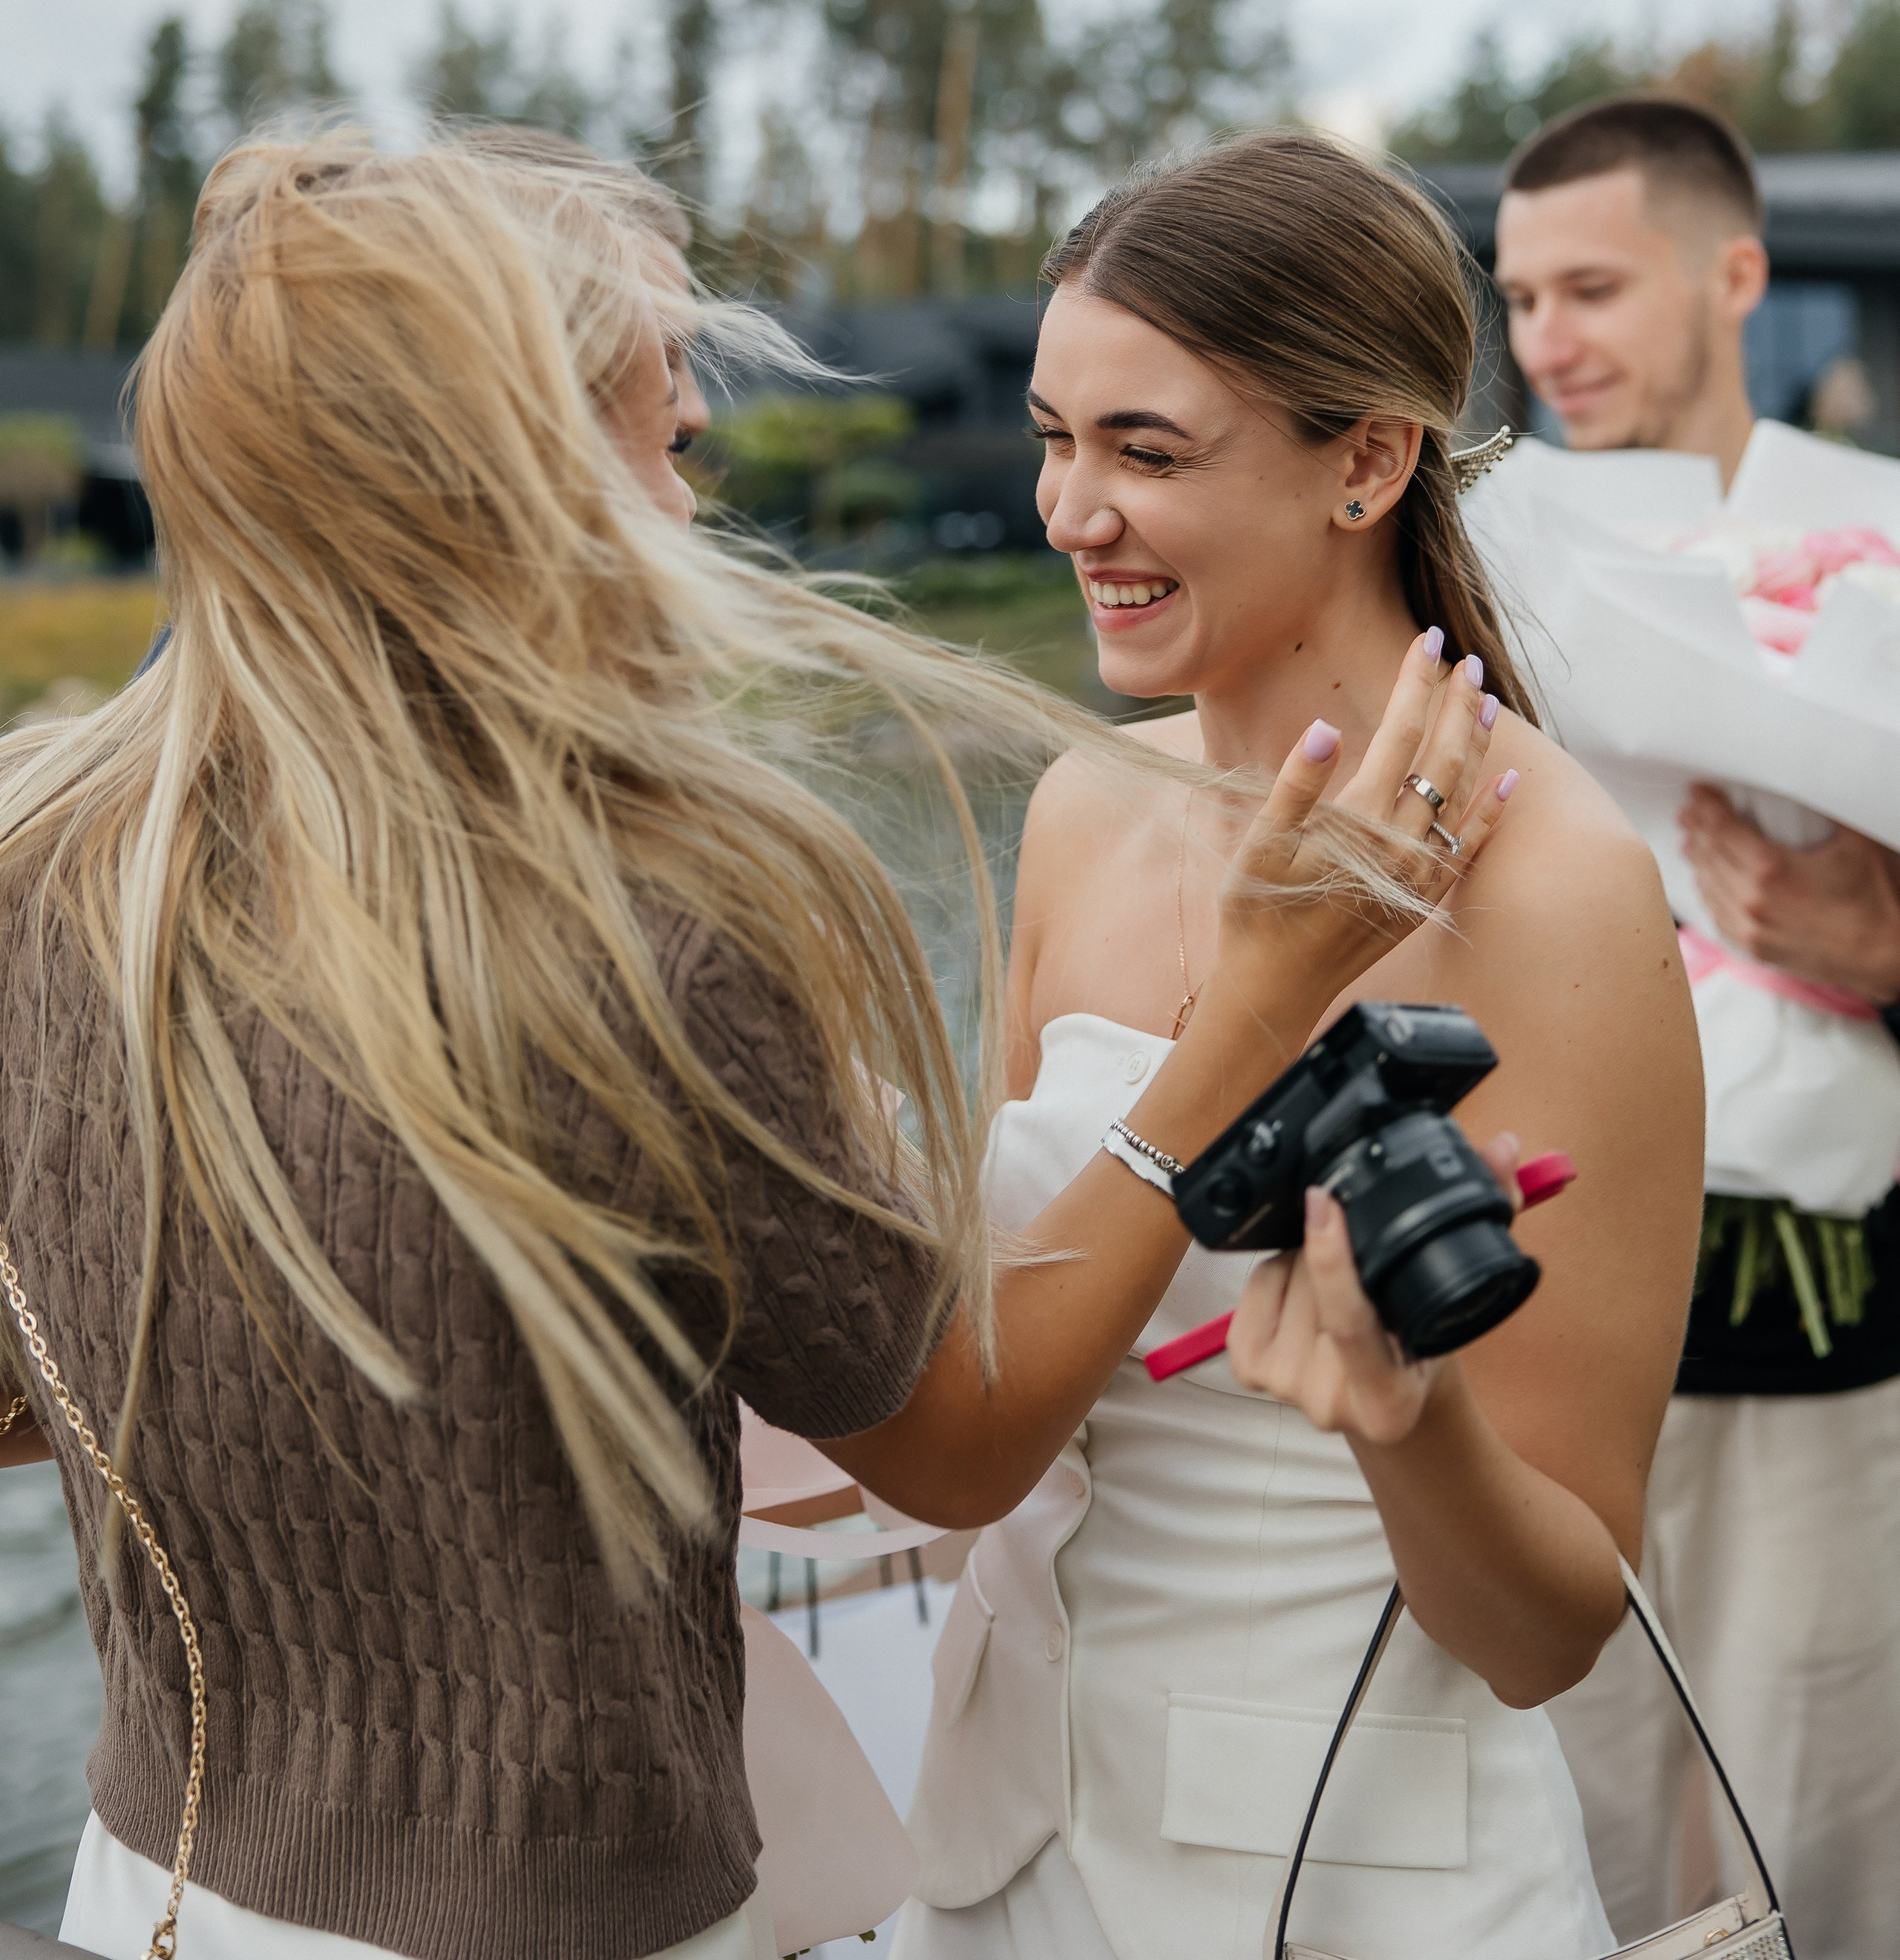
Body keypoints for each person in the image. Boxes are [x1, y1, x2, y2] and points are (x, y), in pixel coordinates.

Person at [0, 128, 1506, 1960]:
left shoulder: (49, 851)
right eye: (671, 443)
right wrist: (1255, 1002)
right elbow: (956, 1453)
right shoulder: (663, 930)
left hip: (150, 1889)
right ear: (513, 475)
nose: (692, 503)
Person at [894, 128, 1703, 1960]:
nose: (1067, 512)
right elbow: (1017, 1345)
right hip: (1006, 1858)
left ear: (1366, 461)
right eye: (1052, 437)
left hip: (1345, 1883)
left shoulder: (1553, 890)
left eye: (1145, 451)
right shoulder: (1084, 805)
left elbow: (1553, 1628)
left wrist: (1406, 1421)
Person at [1494, 92, 1900, 1956]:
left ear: (1734, 276)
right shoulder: (1478, 563)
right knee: (1550, 1835)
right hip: (1537, 1317)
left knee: (1810, 1828)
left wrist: (1877, 947)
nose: (1545, 342)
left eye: (1589, 289)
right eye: (1518, 300)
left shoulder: (1877, 540)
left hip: (1820, 1324)